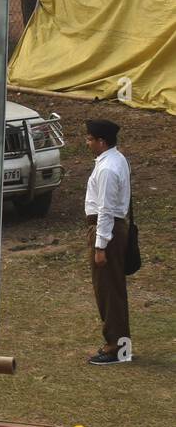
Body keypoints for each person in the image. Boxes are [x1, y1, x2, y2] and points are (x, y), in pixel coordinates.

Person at [84, 118, 132, 364]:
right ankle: (121, 345)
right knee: (114, 289)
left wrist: (100, 246)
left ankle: (116, 347)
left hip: (106, 231)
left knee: (108, 291)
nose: (87, 142)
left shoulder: (107, 169)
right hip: (113, 228)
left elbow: (105, 209)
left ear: (102, 142)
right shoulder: (117, 159)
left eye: (90, 139)